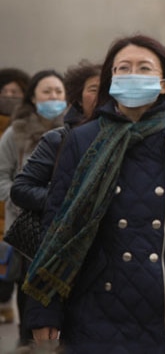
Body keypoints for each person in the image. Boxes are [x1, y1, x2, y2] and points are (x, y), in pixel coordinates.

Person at [22, 34, 165, 353]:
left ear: (163, 84)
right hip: (94, 307)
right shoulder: (82, 140)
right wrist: (44, 311)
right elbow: (56, 228)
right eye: (123, 68)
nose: (132, 74)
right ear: (111, 80)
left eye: (144, 68)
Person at [0, 69, 65, 347]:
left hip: (64, 231)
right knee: (31, 303)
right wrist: (19, 197)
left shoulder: (75, 130)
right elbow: (2, 174)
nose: (54, 97)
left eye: (59, 92)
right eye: (47, 92)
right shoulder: (15, 133)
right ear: (34, 97)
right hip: (27, 230)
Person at [11, 60, 101, 236]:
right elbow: (20, 189)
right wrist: (67, 201)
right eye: (93, 89)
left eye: (107, 89)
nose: (102, 96)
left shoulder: (132, 137)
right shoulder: (58, 139)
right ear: (79, 99)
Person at [0, 67, 30, 324]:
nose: (9, 97)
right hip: (8, 206)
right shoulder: (11, 136)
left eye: (16, 92)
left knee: (16, 275)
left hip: (16, 215)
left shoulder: (25, 129)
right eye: (5, 91)